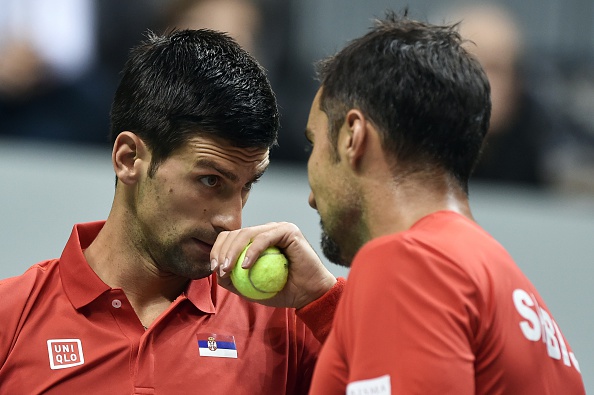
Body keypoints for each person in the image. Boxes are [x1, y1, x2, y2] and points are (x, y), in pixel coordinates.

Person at [212, 11, 586, 394]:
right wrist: (323, 302)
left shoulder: (407, 264)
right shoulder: (503, 282)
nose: (310, 196)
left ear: (353, 137)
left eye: (315, 143)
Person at [0, 29, 343, 394]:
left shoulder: (285, 325)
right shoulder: (12, 317)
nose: (231, 221)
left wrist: (324, 299)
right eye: (210, 181)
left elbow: (403, 376)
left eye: (247, 185)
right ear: (129, 159)